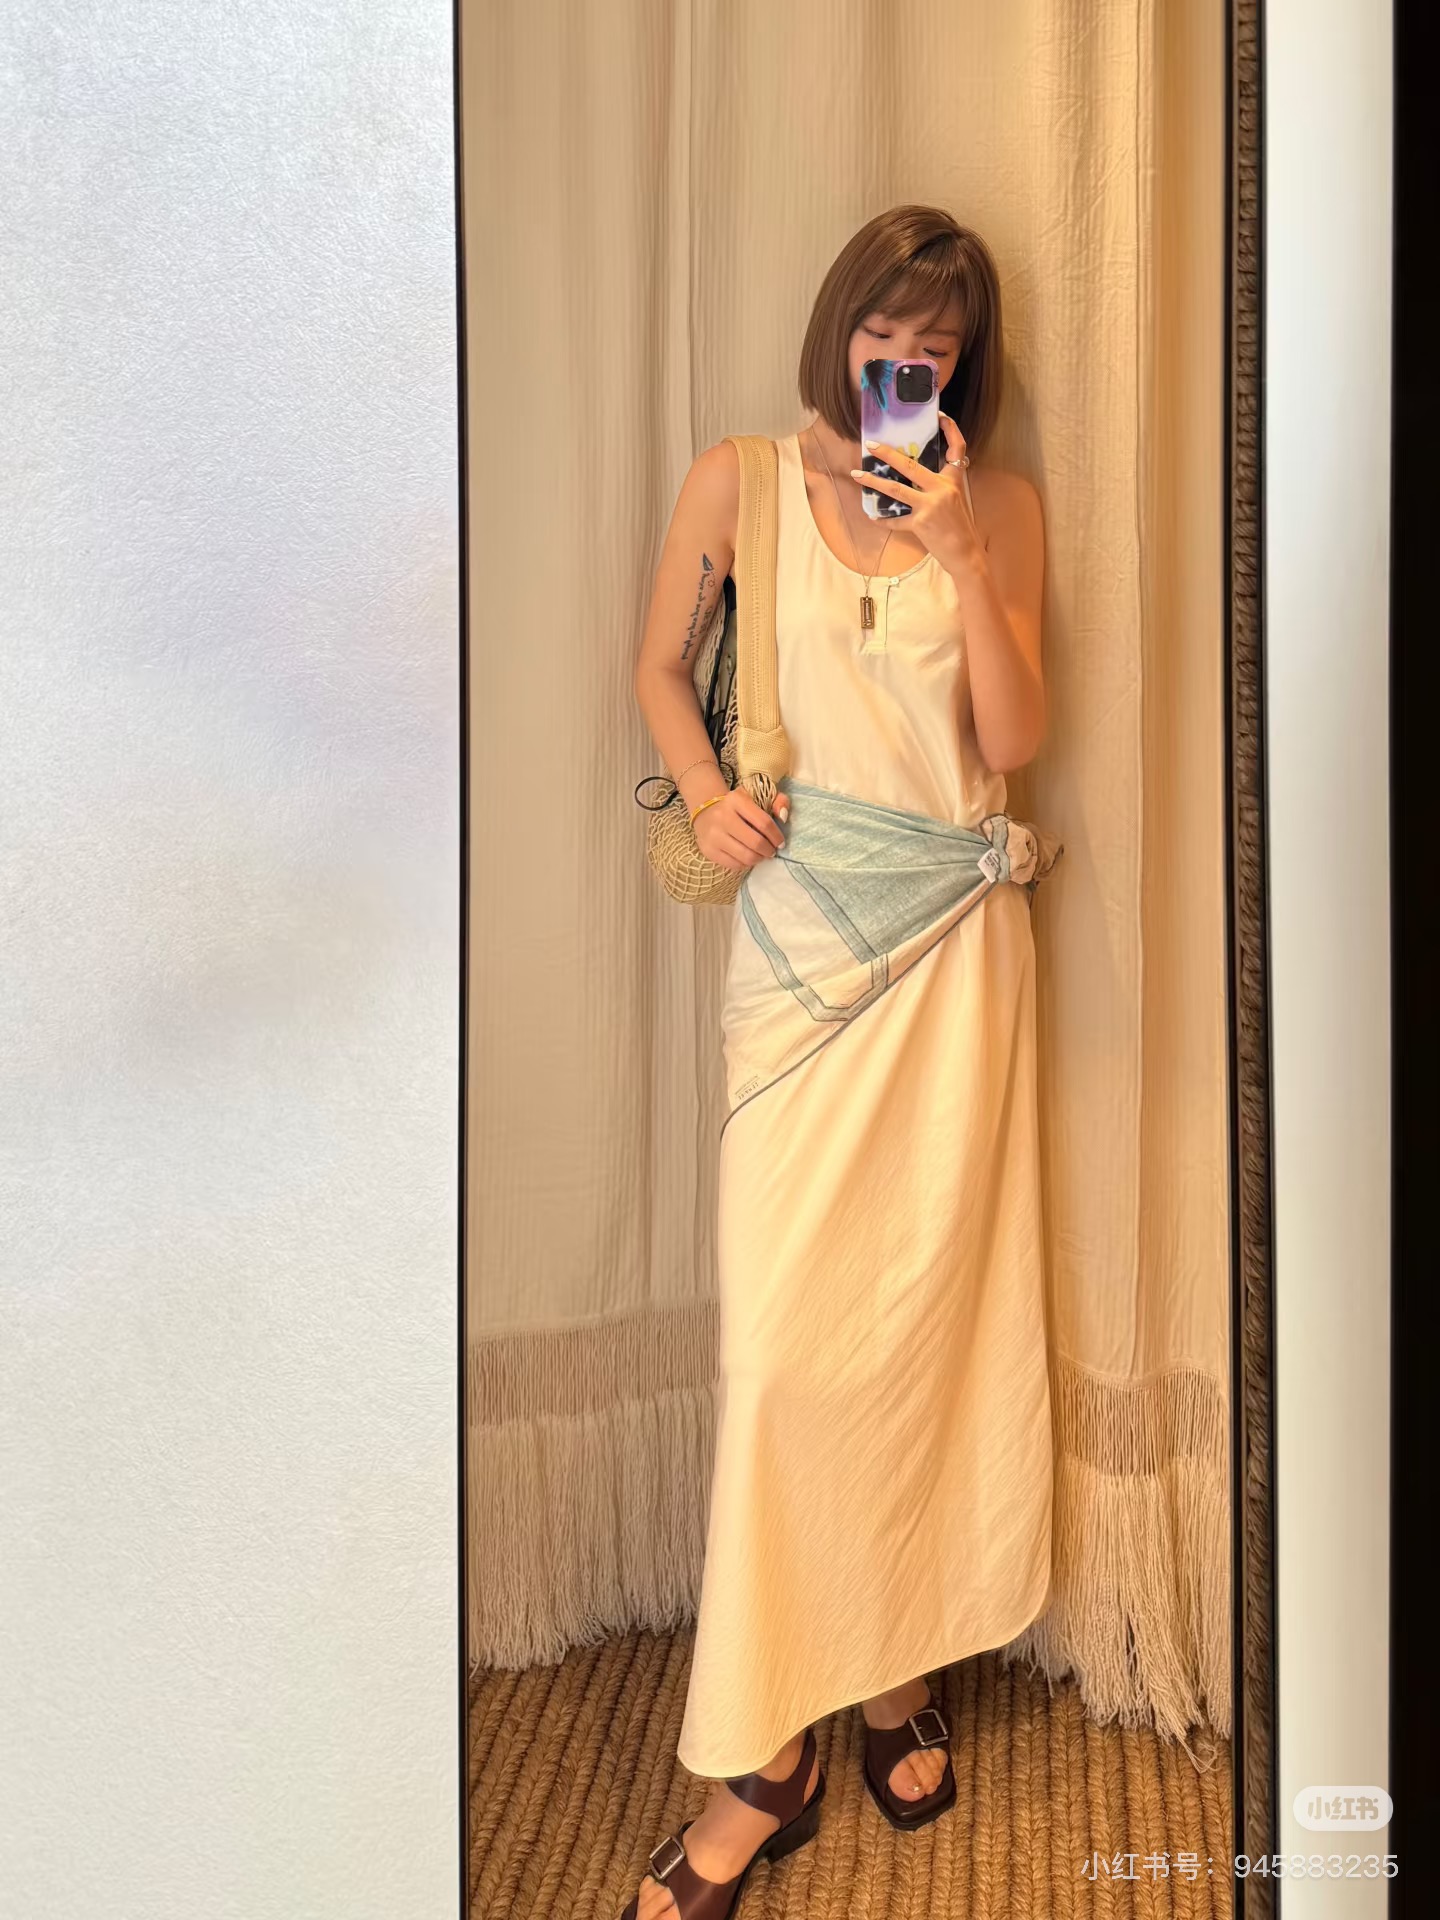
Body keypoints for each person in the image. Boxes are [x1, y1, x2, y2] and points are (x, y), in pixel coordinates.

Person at [623, 204, 1055, 1920]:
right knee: (784, 1357)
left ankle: (892, 1676)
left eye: (939, 348)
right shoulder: (738, 481)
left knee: (925, 1334)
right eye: (887, 337)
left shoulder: (999, 506)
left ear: (966, 364)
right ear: (841, 333)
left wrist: (959, 552)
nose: (910, 365)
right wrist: (708, 791)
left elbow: (1016, 738)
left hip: (955, 963)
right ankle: (763, 1750)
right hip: (802, 967)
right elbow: (659, 666)